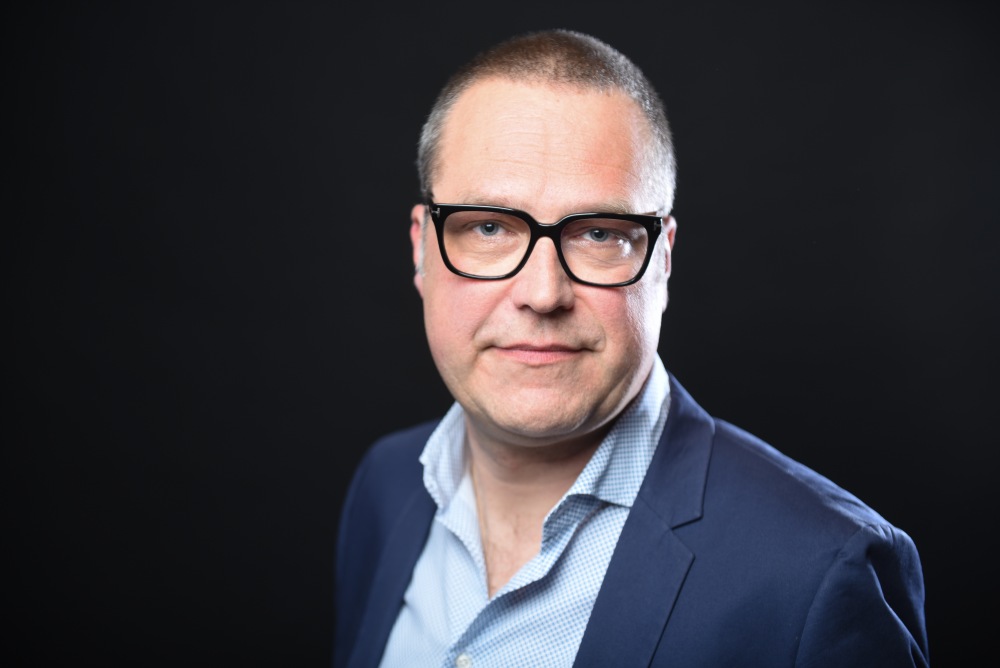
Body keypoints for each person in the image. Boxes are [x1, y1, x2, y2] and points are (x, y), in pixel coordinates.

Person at [333, 29, 929, 668]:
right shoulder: (385, 485)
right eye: (488, 227)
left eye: (599, 234)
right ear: (421, 249)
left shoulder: (820, 575)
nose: (542, 293)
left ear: (663, 259)